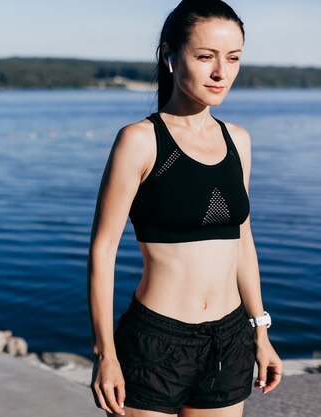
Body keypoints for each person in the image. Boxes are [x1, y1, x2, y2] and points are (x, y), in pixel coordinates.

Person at [87, 1, 282, 416]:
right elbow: (102, 253)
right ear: (170, 56)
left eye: (233, 59)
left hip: (230, 341)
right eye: (205, 56)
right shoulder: (140, 141)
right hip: (157, 342)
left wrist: (259, 331)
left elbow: (242, 242)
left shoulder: (239, 141)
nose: (221, 73)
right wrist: (106, 355)